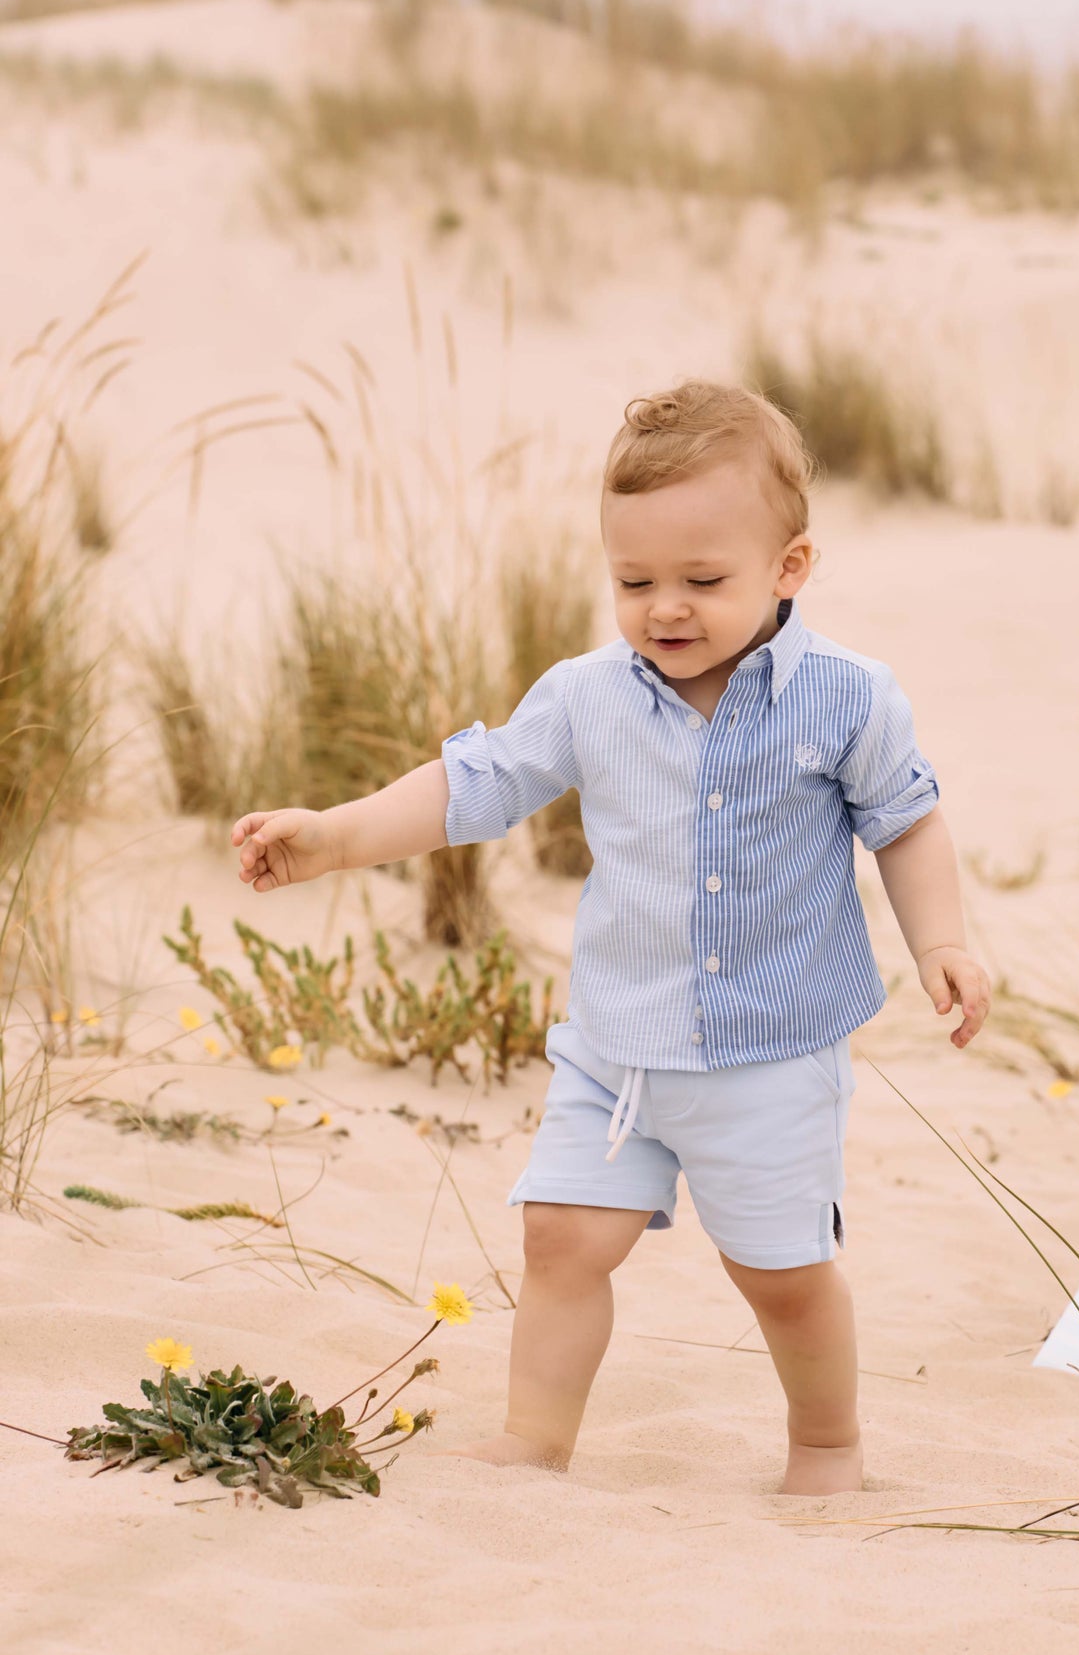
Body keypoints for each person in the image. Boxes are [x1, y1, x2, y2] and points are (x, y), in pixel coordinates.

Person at [233, 381, 990, 1492]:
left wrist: (941, 942)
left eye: (701, 580)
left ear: (788, 567)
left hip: (771, 1052)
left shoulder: (845, 699)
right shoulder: (589, 695)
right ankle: (534, 1441)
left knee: (779, 1271)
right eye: (633, 581)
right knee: (559, 1238)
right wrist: (334, 837)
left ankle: (825, 1444)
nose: (663, 609)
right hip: (617, 1046)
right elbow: (476, 783)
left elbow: (906, 820)